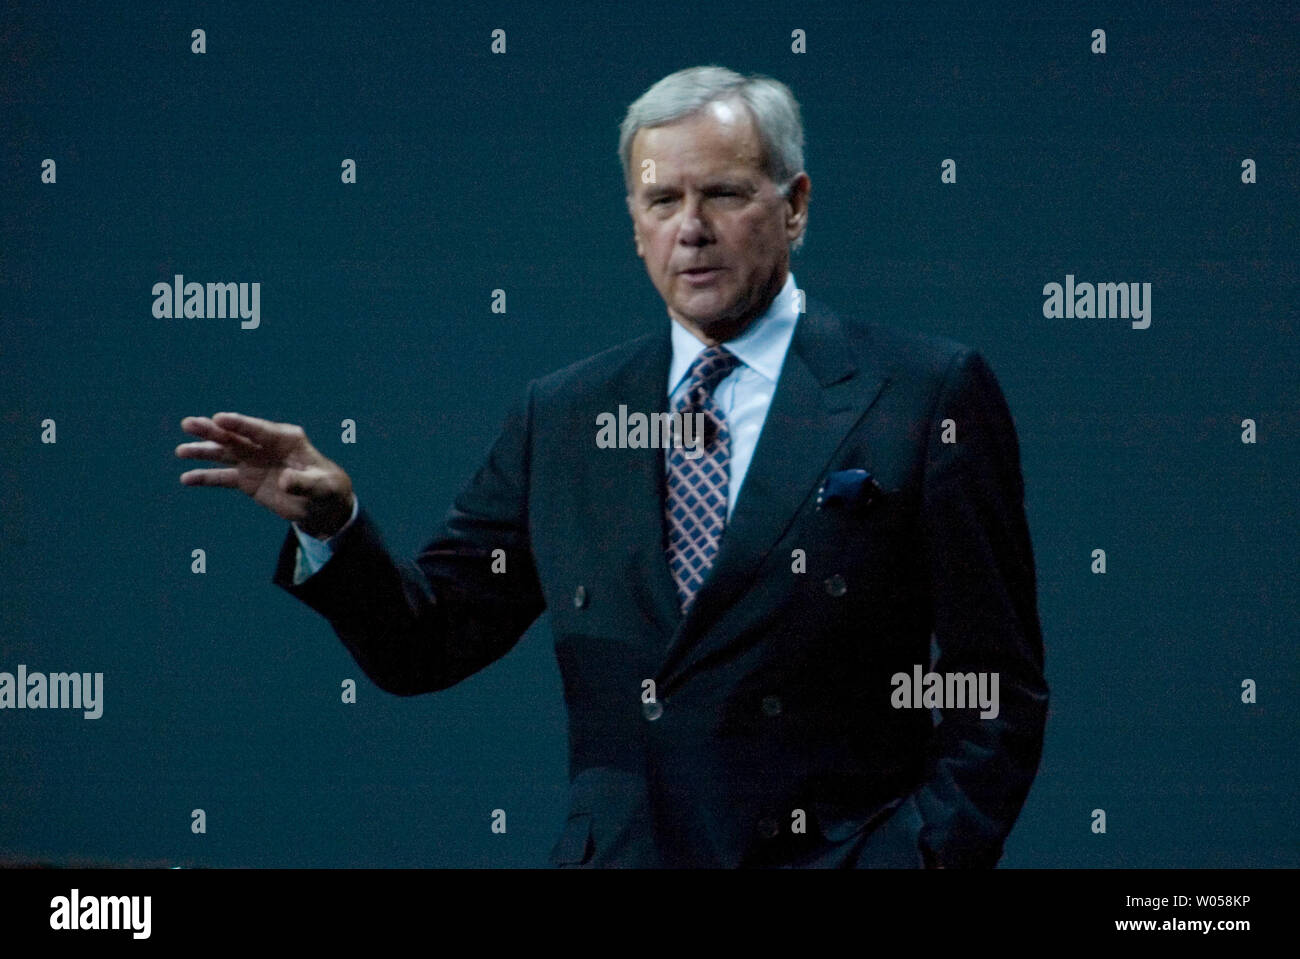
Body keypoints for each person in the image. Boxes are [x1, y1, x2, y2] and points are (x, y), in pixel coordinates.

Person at [176, 65, 1048, 868]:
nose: (692, 229)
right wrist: (335, 524)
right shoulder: (564, 414)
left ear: (795, 206)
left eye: (725, 194)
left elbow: (994, 689)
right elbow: (427, 644)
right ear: (634, 226)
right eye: (662, 200)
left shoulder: (923, 393)